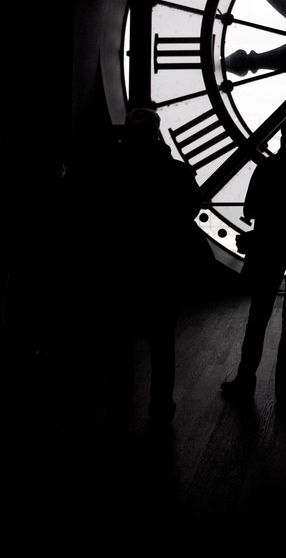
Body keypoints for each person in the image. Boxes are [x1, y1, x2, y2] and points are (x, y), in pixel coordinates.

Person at [105, 108, 203, 429]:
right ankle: (160, 405)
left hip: (123, 266)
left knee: (120, 340)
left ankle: (120, 403)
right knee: (162, 341)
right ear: (157, 133)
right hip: (163, 267)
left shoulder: (113, 171)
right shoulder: (176, 172)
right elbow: (190, 209)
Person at [221, 118, 286, 404]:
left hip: (268, 249)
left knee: (258, 317)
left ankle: (246, 379)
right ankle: (284, 383)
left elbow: (250, 209)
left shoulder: (266, 169)